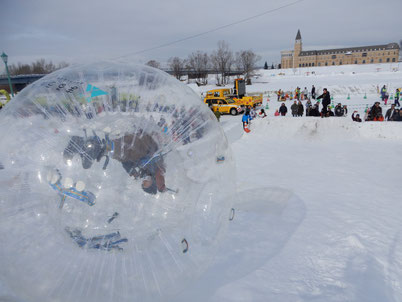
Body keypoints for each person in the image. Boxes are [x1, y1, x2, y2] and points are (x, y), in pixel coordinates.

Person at [64, 129, 167, 194]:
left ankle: (80, 145)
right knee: (123, 149)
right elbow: (159, 171)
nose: (144, 180)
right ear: (153, 182)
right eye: (147, 183)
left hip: (129, 154)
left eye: (143, 183)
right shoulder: (157, 169)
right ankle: (96, 147)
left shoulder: (141, 173)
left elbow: (125, 163)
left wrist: (131, 171)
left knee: (117, 154)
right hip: (143, 144)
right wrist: (161, 186)